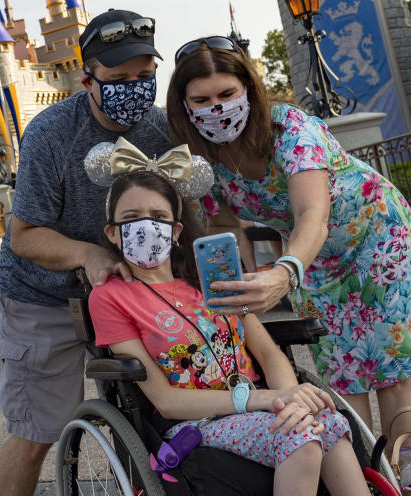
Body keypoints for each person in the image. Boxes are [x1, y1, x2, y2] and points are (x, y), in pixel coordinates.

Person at [165, 36, 411, 449]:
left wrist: (284, 273)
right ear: (184, 105)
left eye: (227, 93)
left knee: (393, 361)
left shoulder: (289, 128)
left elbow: (312, 214)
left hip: (375, 234)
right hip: (312, 259)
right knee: (342, 368)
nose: (216, 107)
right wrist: (233, 285)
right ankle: (367, 475)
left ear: (248, 88)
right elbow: (223, 225)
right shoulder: (201, 159)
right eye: (202, 98)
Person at [89, 165, 373, 496]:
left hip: (257, 404)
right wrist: (267, 399)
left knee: (329, 423)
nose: (146, 225)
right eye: (132, 216)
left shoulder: (210, 280)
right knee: (302, 439)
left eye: (157, 215)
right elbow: (164, 401)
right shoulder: (109, 297)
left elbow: (268, 353)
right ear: (112, 232)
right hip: (194, 419)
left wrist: (292, 401)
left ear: (176, 230)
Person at [0, 9, 171, 494]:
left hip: (128, 292)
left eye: (144, 76)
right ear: (87, 79)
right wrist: (89, 255)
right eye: (118, 78)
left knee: (159, 413)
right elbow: (25, 236)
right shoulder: (52, 134)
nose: (133, 87)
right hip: (42, 296)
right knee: (36, 434)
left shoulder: (161, 129)